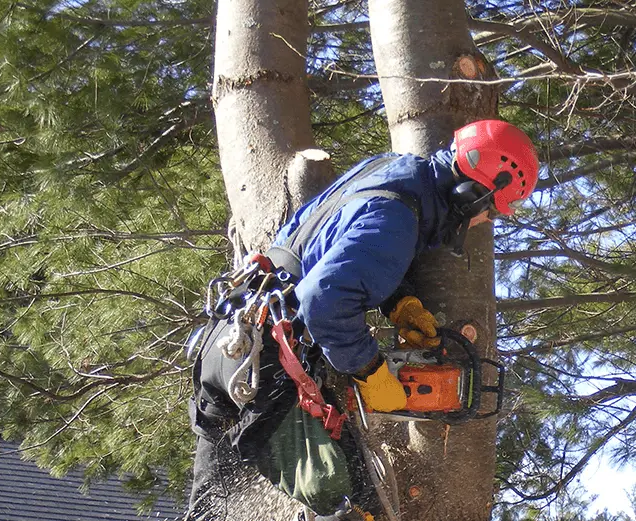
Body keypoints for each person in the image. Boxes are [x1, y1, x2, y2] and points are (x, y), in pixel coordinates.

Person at [187, 119, 539, 521]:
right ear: (475, 195)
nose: (485, 221)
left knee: (211, 509)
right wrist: (370, 369)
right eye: (490, 210)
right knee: (354, 507)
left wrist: (399, 302)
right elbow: (323, 300)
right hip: (270, 366)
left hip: (228, 344)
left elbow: (347, 248)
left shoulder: (393, 172)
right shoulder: (398, 219)